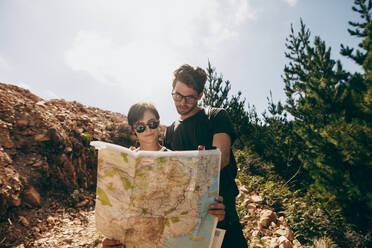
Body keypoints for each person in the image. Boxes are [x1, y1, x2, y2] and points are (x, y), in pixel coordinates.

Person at [102, 101, 226, 248]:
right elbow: (117, 206)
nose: (148, 129)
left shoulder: (179, 161)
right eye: (141, 127)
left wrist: (214, 213)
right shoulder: (125, 163)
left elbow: (193, 205)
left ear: (158, 123)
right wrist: (110, 239)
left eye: (152, 124)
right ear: (133, 129)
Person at [163, 64, 248, 247]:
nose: (182, 102)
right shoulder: (169, 132)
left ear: (200, 95)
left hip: (223, 221)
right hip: (188, 227)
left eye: (190, 97)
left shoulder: (216, 117)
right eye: (177, 95)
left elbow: (220, 159)